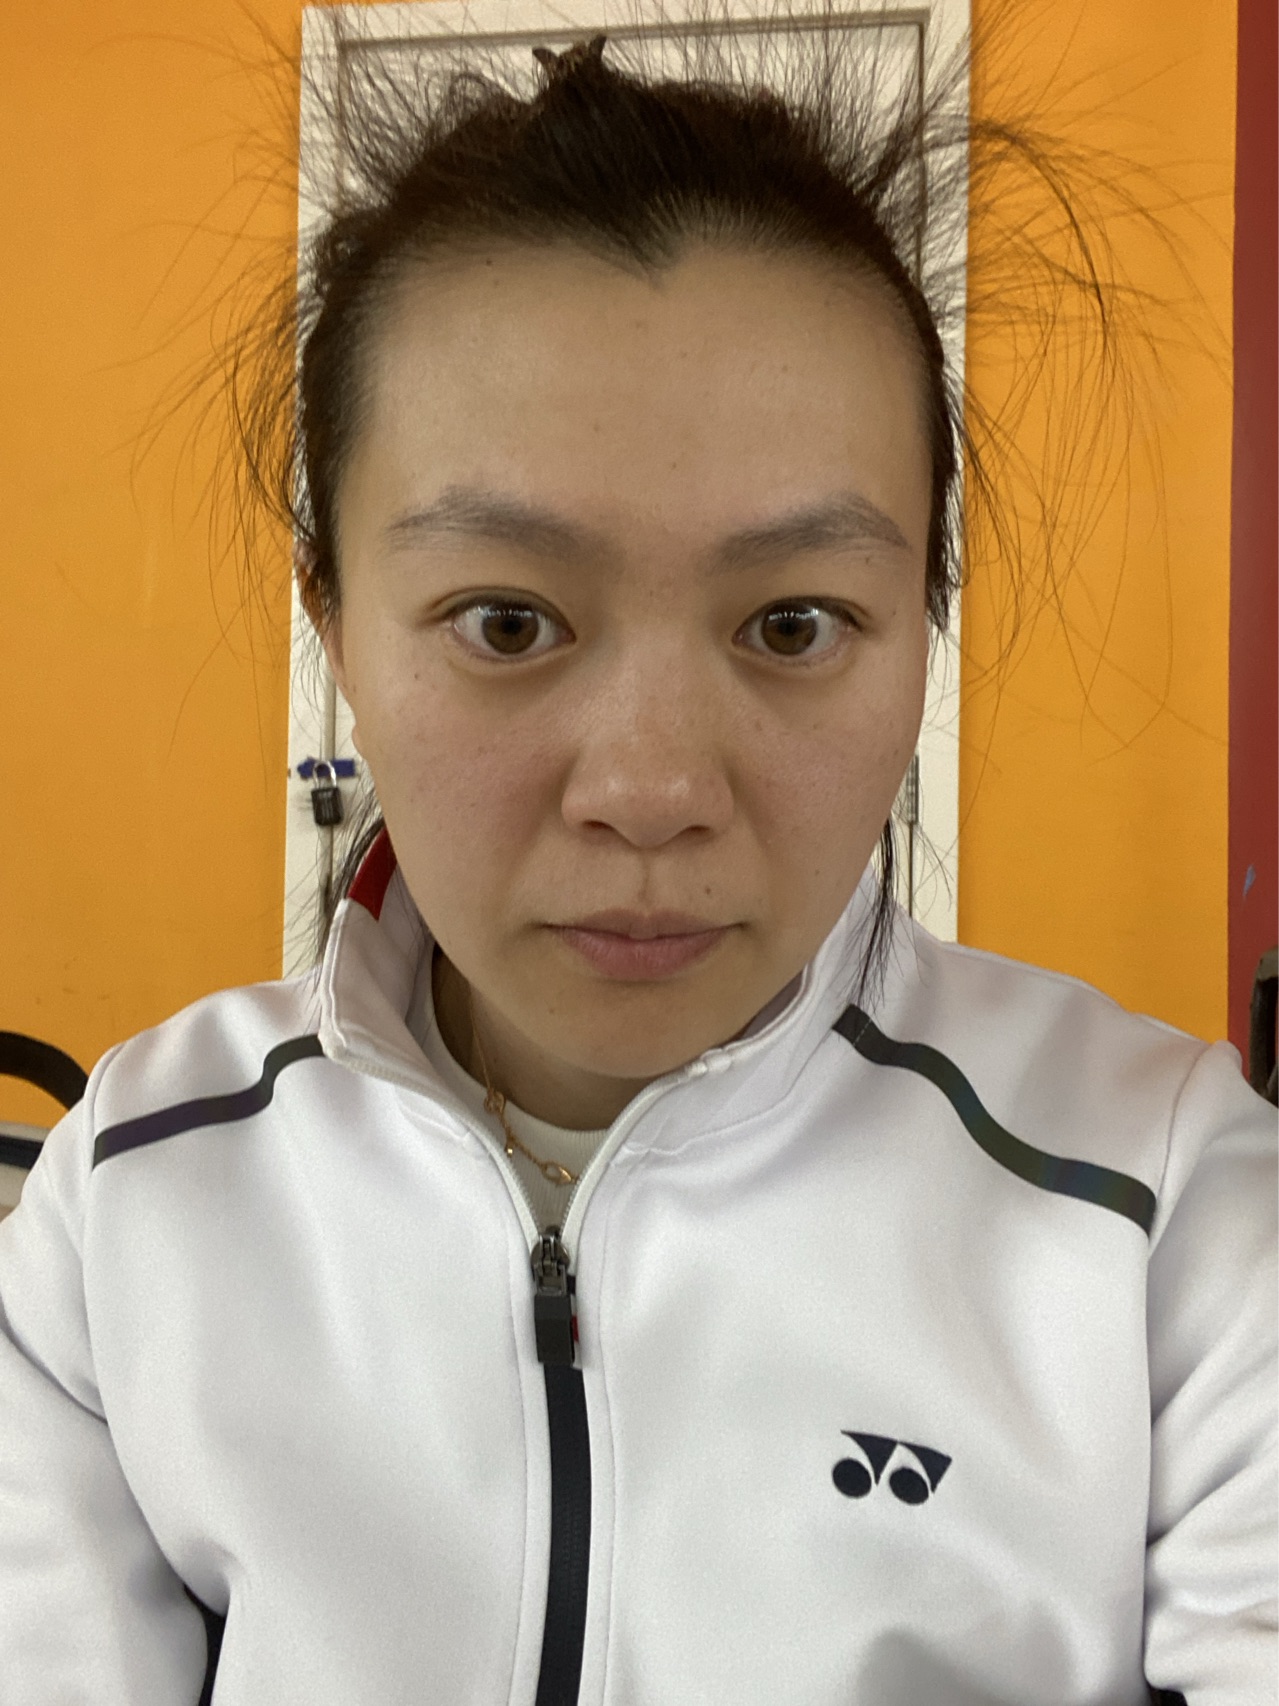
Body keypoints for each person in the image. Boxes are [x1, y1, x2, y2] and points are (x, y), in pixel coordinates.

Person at [1, 11, 1273, 1704]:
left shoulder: (1168, 1215)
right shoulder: (131, 1204)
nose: (654, 789)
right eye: (506, 620)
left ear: (923, 625)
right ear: (336, 621)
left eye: (794, 623)